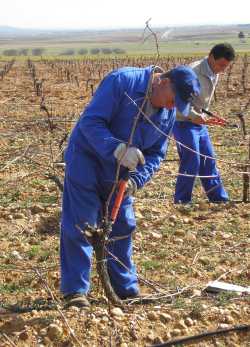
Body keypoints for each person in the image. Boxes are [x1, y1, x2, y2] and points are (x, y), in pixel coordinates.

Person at [60, 65, 201, 307]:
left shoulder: (166, 115)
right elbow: (91, 122)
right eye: (172, 100)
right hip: (88, 159)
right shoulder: (122, 82)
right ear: (163, 81)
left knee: (123, 225)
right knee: (81, 223)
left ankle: (125, 289)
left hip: (123, 175)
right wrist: (117, 149)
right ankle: (75, 292)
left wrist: (137, 180)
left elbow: (157, 153)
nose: (171, 107)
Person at [173, 43, 235, 204]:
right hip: (182, 122)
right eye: (221, 65)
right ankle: (182, 202)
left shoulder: (215, 71)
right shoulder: (192, 72)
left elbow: (199, 101)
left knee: (208, 159)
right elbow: (176, 102)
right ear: (211, 57)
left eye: (226, 67)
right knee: (192, 160)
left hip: (199, 122)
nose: (223, 70)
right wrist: (193, 115)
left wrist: (203, 114)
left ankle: (219, 199)